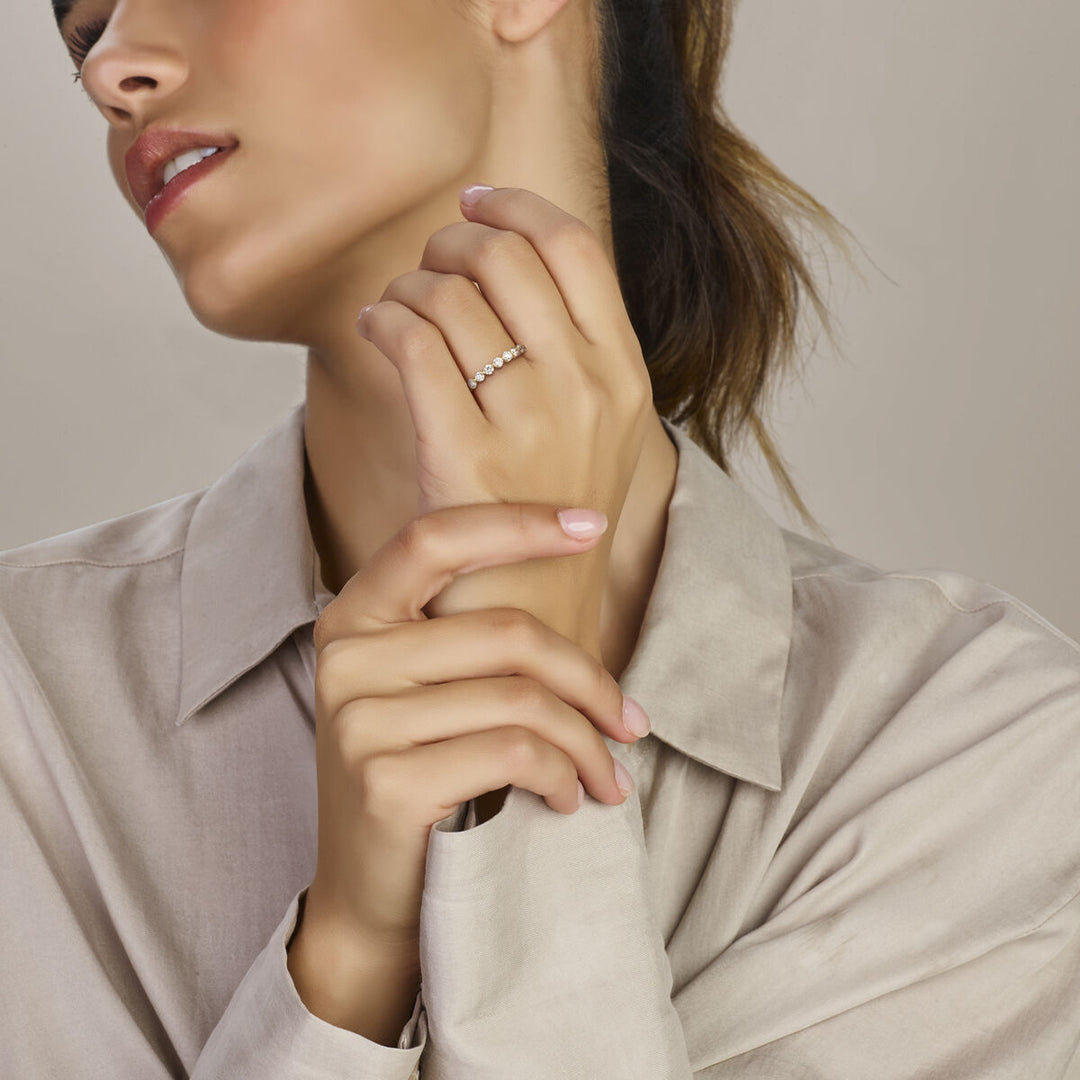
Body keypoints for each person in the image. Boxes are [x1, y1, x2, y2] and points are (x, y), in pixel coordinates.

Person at [2, 0, 1077, 1077]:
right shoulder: (26, 715)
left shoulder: (983, 760)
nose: (112, 70)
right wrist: (345, 957)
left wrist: (498, 824)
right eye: (83, 29)